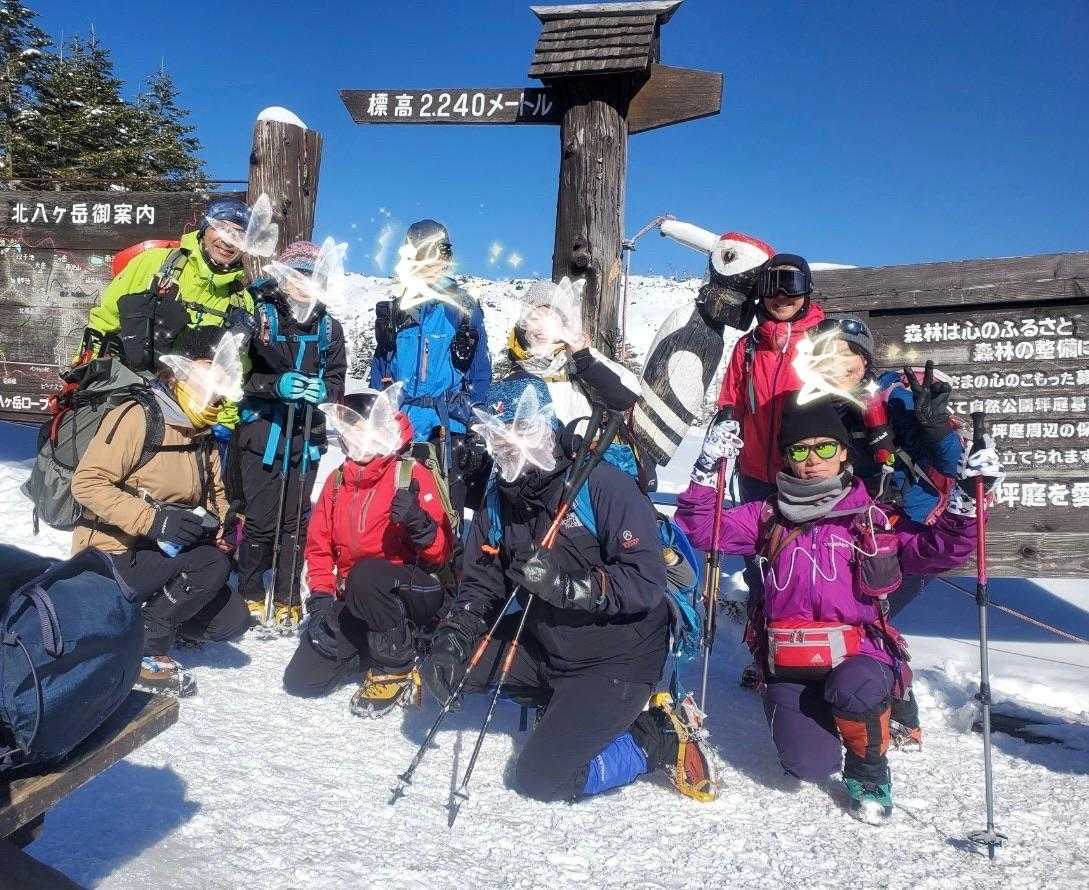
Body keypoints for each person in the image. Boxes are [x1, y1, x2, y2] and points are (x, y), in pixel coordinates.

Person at [675, 396, 999, 822]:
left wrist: (969, 501)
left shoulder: (873, 518)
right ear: (787, 458)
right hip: (790, 659)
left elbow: (937, 550)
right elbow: (700, 528)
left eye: (824, 447)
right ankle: (841, 716)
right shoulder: (767, 517)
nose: (813, 460)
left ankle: (869, 769)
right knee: (807, 765)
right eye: (799, 451)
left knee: (856, 685)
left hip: (857, 654)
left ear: (844, 452)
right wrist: (706, 469)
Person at [420, 375, 714, 804]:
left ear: (546, 426)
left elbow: (645, 582)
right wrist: (454, 637)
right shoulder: (499, 498)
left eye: (522, 431)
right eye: (498, 438)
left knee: (542, 779)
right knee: (459, 664)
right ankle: (565, 709)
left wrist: (567, 586)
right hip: (548, 644)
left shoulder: (602, 485)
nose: (510, 447)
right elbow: (482, 580)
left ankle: (657, 735)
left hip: (618, 657)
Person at [809, 317, 965, 748]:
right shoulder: (822, 407)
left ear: (865, 359)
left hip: (910, 534)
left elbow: (955, 463)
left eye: (848, 353)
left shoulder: (897, 398)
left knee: (871, 618)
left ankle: (899, 708)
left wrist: (936, 428)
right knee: (854, 616)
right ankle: (850, 696)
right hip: (858, 532)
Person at [70, 326, 250, 696]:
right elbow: (87, 483)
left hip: (162, 549)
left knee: (229, 621)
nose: (215, 382)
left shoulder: (201, 429)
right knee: (210, 566)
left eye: (223, 373)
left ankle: (146, 618)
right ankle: (146, 647)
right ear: (179, 369)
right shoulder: (139, 416)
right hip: (113, 551)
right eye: (206, 368)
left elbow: (215, 492)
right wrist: (154, 520)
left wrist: (225, 526)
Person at [282, 390, 455, 714]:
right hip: (358, 597)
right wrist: (321, 599)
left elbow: (441, 554)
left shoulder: (409, 474)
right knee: (302, 679)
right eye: (346, 430)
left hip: (413, 590)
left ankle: (397, 664)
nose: (352, 438)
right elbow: (319, 549)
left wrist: (418, 522)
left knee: (366, 574)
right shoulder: (337, 481)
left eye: (358, 428)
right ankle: (377, 648)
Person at [232, 241, 347, 624]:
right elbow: (238, 376)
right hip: (263, 431)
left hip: (306, 435)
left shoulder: (330, 329)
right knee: (261, 519)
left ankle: (286, 597)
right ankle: (249, 590)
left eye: (312, 277)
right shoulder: (260, 319)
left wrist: (324, 392)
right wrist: (273, 386)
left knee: (296, 523)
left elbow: (337, 381)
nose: (303, 284)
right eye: (296, 275)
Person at [80, 196, 256, 431]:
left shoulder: (242, 302)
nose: (228, 240)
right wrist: (83, 374)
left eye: (239, 234)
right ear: (204, 229)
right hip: (124, 400)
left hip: (191, 420)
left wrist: (225, 421)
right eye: (221, 227)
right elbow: (104, 320)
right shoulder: (153, 263)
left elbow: (234, 370)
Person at [369, 219, 492, 516]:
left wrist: (475, 427)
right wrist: (376, 417)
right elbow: (381, 367)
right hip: (399, 426)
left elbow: (480, 373)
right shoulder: (396, 310)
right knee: (393, 512)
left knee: (443, 515)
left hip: (447, 427)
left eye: (437, 255)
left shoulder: (462, 308)